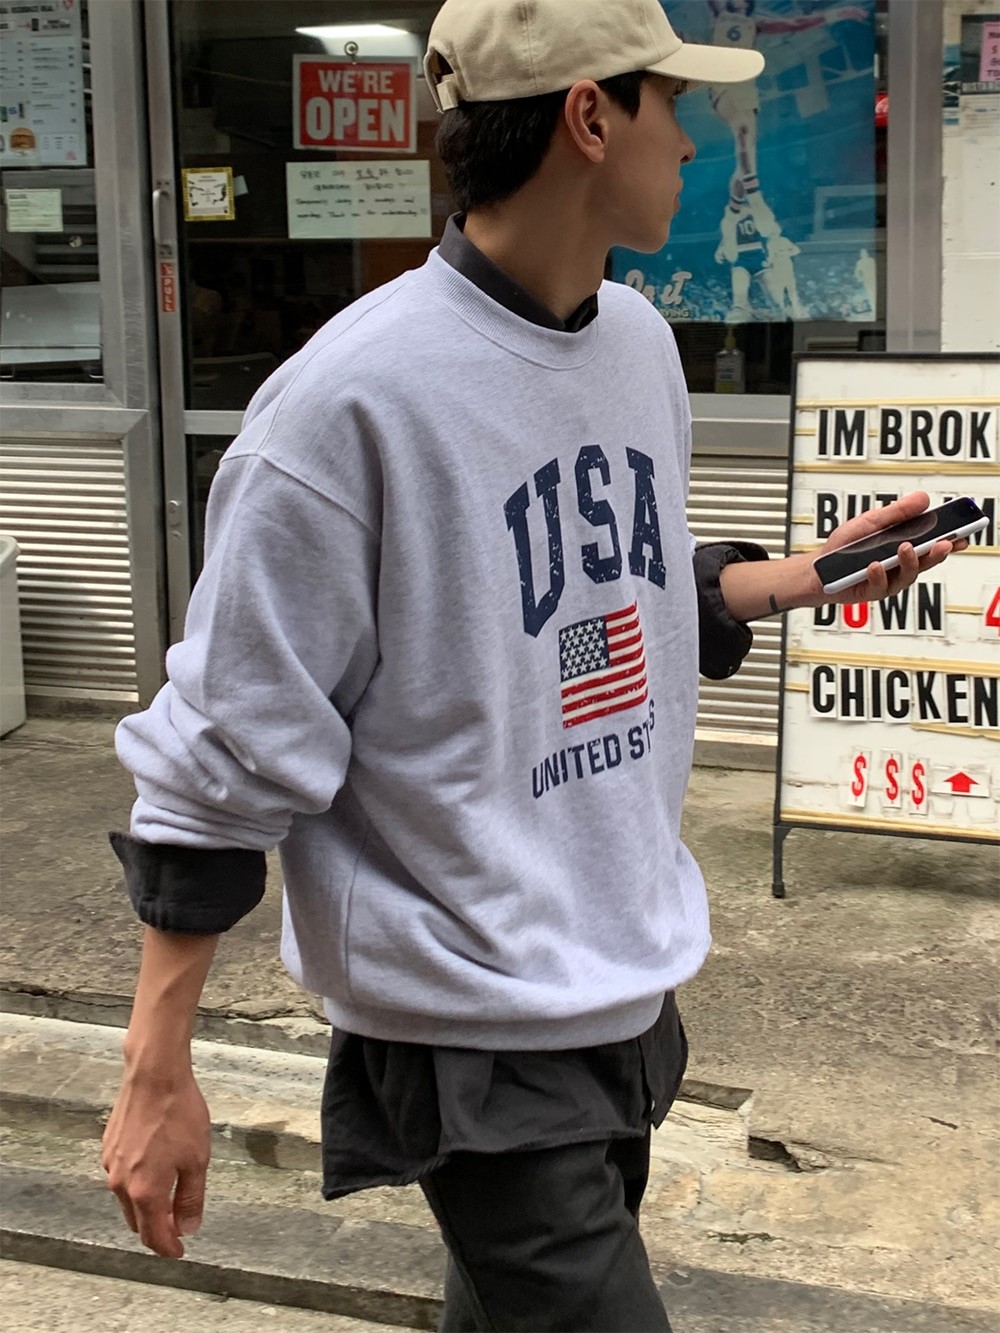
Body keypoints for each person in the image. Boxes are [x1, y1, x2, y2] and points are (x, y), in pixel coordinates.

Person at [101, 1, 962, 1328]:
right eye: (673, 104)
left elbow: (621, 585)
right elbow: (227, 748)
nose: (694, 142)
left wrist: (801, 575)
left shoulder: (633, 345)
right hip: (469, 1016)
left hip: (619, 972)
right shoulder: (346, 407)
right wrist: (157, 1069)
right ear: (589, 116)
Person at [706, 0, 867, 236]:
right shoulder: (720, 15)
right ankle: (757, 200)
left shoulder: (756, 24)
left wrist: (837, 14)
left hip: (745, 88)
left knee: (745, 159)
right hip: (724, 88)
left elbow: (797, 23)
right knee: (744, 134)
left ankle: (732, 213)